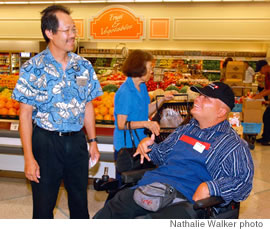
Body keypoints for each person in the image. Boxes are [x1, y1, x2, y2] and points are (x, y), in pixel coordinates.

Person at [94, 82, 254, 219]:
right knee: (114, 206)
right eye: (199, 95)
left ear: (221, 112)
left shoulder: (232, 144)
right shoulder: (185, 130)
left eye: (206, 98)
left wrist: (211, 188)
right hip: (155, 186)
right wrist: (147, 147)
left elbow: (242, 182)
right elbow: (160, 155)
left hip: (187, 199)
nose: (198, 99)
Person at [12, 5, 103, 219]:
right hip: (46, 143)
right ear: (50, 33)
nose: (73, 35)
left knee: (80, 204)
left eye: (74, 30)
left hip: (77, 143)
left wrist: (93, 140)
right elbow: (24, 115)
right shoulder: (32, 68)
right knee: (43, 207)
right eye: (67, 30)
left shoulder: (84, 66)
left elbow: (87, 104)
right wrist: (28, 157)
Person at [113, 50, 173, 182]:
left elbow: (145, 112)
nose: (151, 71)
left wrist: (162, 99)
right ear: (140, 68)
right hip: (127, 146)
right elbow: (121, 124)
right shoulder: (125, 92)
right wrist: (146, 123)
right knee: (124, 184)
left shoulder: (142, 87)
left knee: (139, 183)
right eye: (150, 68)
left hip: (141, 141)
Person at [253, 60, 270, 145]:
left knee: (267, 116)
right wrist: (258, 95)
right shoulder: (267, 75)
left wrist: (258, 96)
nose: (260, 72)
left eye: (260, 69)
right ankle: (265, 137)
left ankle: (266, 138)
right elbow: (266, 88)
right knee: (266, 117)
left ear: (264, 67)